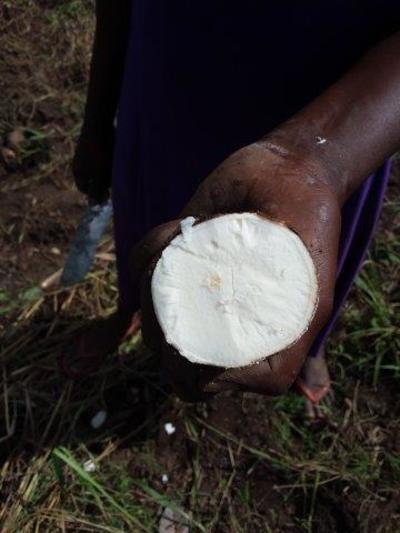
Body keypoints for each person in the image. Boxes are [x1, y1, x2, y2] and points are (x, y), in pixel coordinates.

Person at [71, 1, 400, 415]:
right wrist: (97, 119)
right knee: (150, 229)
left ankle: (311, 344)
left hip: (350, 100)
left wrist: (320, 159)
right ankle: (129, 309)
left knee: (313, 257)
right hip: (172, 76)